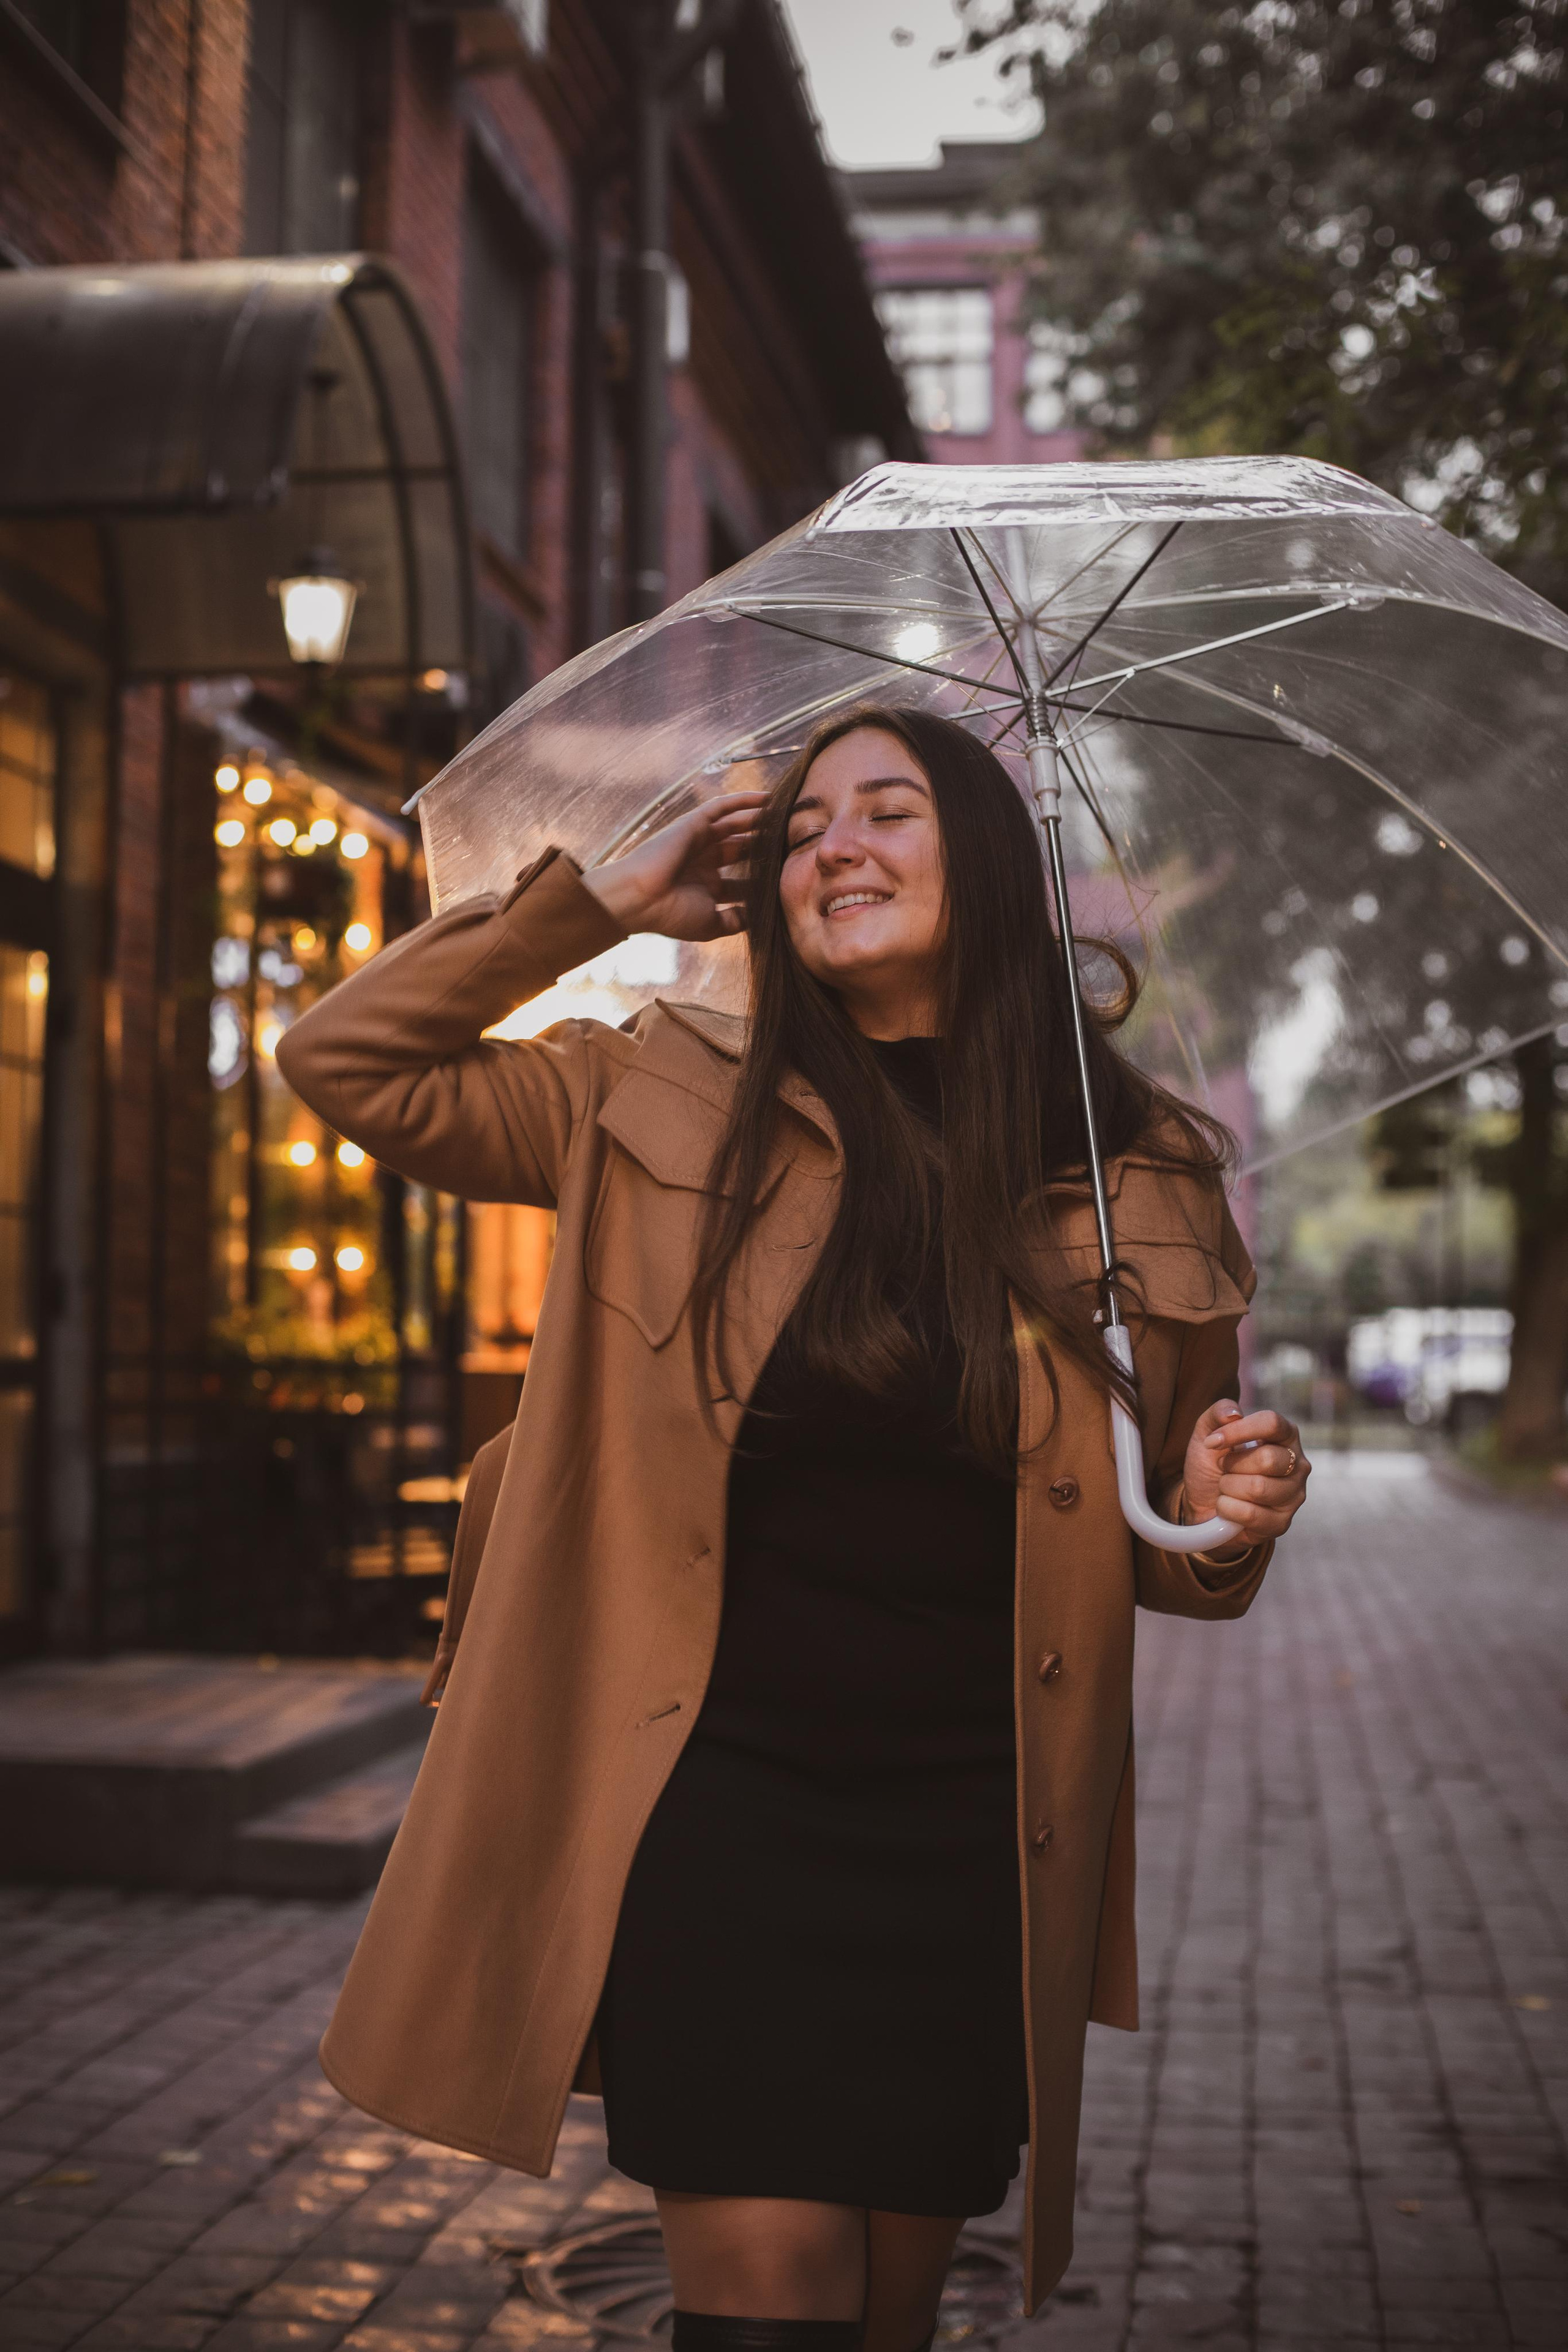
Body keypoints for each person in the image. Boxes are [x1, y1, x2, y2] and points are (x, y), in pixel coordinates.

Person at [278, 705, 1309, 2352]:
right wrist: (589, 911)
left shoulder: (1139, 1174)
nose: (836, 847)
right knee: (767, 2307)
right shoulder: (648, 1096)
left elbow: (1173, 1544)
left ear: (986, 861)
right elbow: (345, 1064)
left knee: (890, 2315)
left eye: (889, 811)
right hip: (718, 1806)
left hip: (976, 1828)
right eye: (810, 826)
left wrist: (1230, 1513)